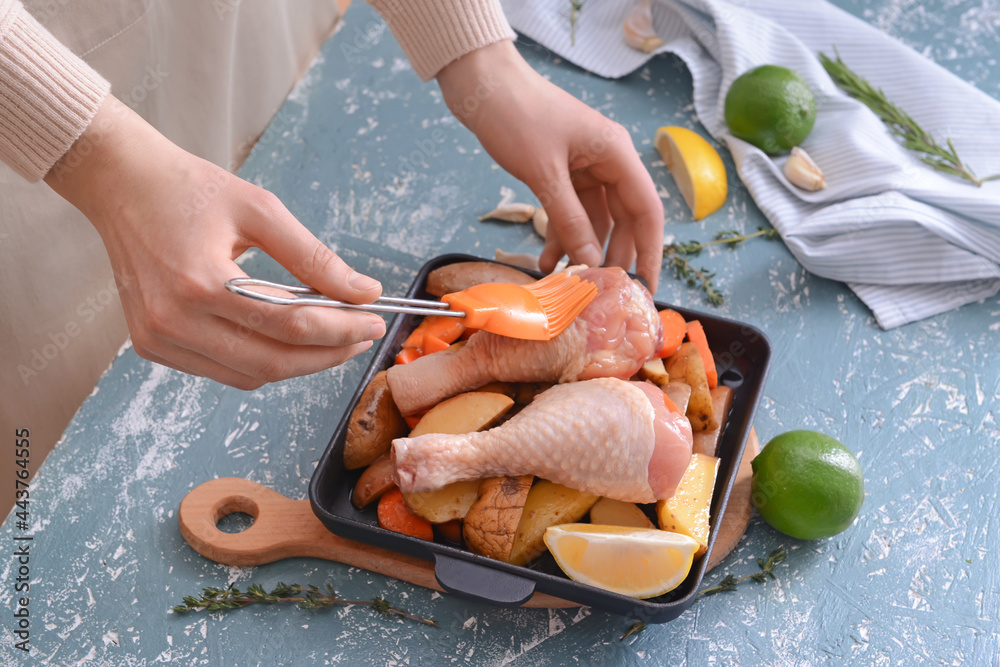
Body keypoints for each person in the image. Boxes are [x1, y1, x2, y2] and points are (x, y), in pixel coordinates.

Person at [0, 0, 664, 493]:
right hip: (33, 156)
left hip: (257, 38)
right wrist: (95, 157)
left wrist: (476, 54)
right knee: (70, 459)